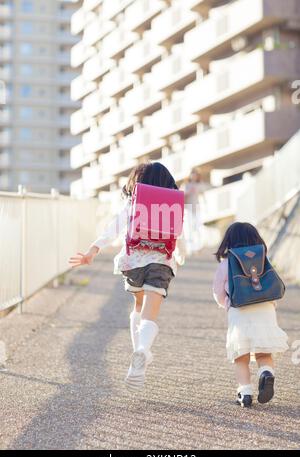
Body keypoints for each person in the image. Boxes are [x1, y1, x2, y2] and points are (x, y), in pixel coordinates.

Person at [69, 162, 185, 391]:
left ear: (136, 182)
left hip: (133, 263)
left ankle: (138, 352)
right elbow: (180, 233)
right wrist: (181, 255)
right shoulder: (173, 204)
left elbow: (113, 228)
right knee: (150, 312)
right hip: (161, 262)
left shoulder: (133, 203)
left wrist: (93, 250)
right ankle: (142, 351)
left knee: (138, 306)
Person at [213, 222, 289, 408]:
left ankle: (245, 393)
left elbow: (217, 292)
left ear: (228, 241)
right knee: (263, 351)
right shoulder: (263, 259)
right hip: (265, 309)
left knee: (241, 356)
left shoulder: (226, 263)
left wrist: (227, 304)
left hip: (240, 312)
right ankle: (266, 373)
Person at [183, 169, 206, 255]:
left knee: (198, 228)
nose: (194, 176)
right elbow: (182, 195)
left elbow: (203, 194)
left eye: (196, 175)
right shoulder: (186, 185)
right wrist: (189, 192)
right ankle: (190, 248)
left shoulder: (199, 185)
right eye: (193, 174)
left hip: (197, 208)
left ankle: (198, 247)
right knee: (189, 229)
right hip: (188, 208)